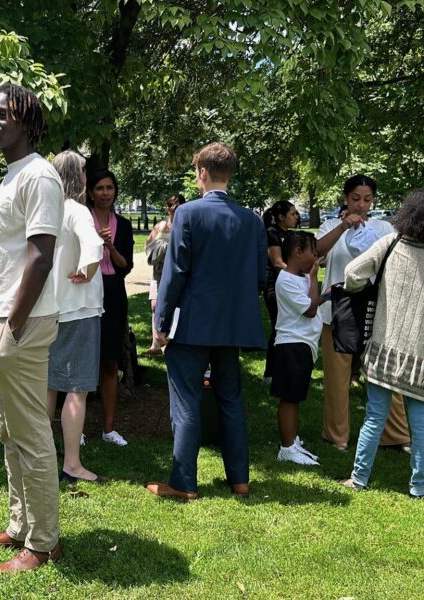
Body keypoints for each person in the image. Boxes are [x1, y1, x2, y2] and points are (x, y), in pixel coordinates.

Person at [0, 83, 63, 572]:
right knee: (9, 431)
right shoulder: (11, 176)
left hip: (19, 322)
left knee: (30, 434)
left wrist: (12, 322)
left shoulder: (41, 177)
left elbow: (41, 257)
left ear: (26, 120)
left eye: (2, 114)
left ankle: (44, 543)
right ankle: (20, 525)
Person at [146, 142, 265, 501]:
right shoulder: (252, 220)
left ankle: (183, 482)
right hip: (232, 325)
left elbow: (175, 272)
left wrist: (161, 321)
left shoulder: (187, 214)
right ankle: (240, 479)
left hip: (193, 323)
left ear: (202, 173)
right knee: (230, 399)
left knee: (186, 401)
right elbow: (260, 277)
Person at [341, 189, 424, 498]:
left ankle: (359, 478)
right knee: (420, 419)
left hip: (387, 345)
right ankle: (418, 486)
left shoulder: (391, 243)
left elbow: (352, 274)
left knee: (375, 414)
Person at [316, 175, 410, 452]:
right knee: (337, 377)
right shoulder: (331, 224)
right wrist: (343, 226)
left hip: (376, 309)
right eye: (356, 198)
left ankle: (396, 434)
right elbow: (316, 252)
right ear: (346, 198)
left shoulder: (383, 227)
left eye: (367, 199)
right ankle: (337, 435)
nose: (361, 204)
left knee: (385, 373)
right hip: (337, 310)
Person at [47, 150, 105, 483]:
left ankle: (40, 457)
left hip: (48, 310)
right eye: (83, 170)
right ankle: (71, 463)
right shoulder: (77, 211)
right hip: (78, 309)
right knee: (77, 388)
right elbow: (93, 248)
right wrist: (87, 269)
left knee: (48, 386)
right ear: (75, 175)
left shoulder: (46, 210)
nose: (87, 176)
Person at [87, 169, 134, 446]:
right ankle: (76, 427)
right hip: (86, 291)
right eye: (100, 188)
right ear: (91, 193)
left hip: (113, 293)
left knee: (109, 362)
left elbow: (124, 266)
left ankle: (108, 428)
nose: (105, 193)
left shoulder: (124, 226)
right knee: (83, 359)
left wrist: (109, 246)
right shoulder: (82, 220)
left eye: (110, 188)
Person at [271, 231, 325, 466]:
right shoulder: (285, 280)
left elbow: (314, 300)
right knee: (289, 398)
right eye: (314, 251)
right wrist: (314, 278)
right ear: (297, 252)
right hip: (292, 344)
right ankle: (287, 447)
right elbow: (310, 309)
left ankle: (293, 441)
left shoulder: (301, 278)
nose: (316, 256)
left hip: (304, 345)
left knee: (296, 396)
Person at [261, 200, 299, 383]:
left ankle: (284, 369)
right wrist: (299, 275)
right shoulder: (272, 233)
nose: (296, 216)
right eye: (292, 213)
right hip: (274, 287)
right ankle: (270, 373)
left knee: (287, 326)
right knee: (279, 327)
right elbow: (277, 262)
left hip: (288, 286)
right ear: (280, 217)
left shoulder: (290, 234)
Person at [144, 194, 185, 356]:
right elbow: (148, 247)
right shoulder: (160, 226)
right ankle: (155, 344)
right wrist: (163, 247)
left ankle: (170, 341)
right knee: (155, 305)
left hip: (176, 274)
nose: (173, 208)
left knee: (174, 307)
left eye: (177, 205)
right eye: (171, 205)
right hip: (158, 273)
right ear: (167, 208)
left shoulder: (184, 226)